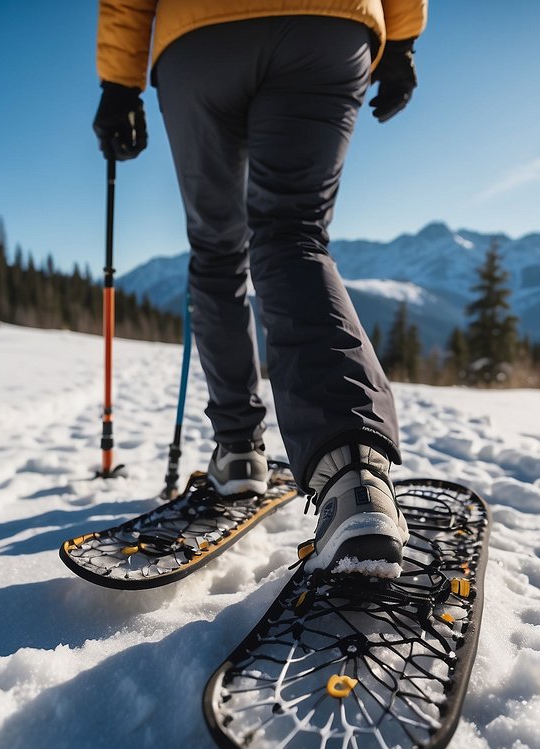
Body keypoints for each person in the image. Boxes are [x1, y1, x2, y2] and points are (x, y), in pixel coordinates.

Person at [93, 1, 425, 578]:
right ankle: (352, 474)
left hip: (200, 38)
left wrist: (120, 83)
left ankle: (239, 450)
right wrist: (402, 42)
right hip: (328, 26)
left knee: (218, 251)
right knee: (291, 235)